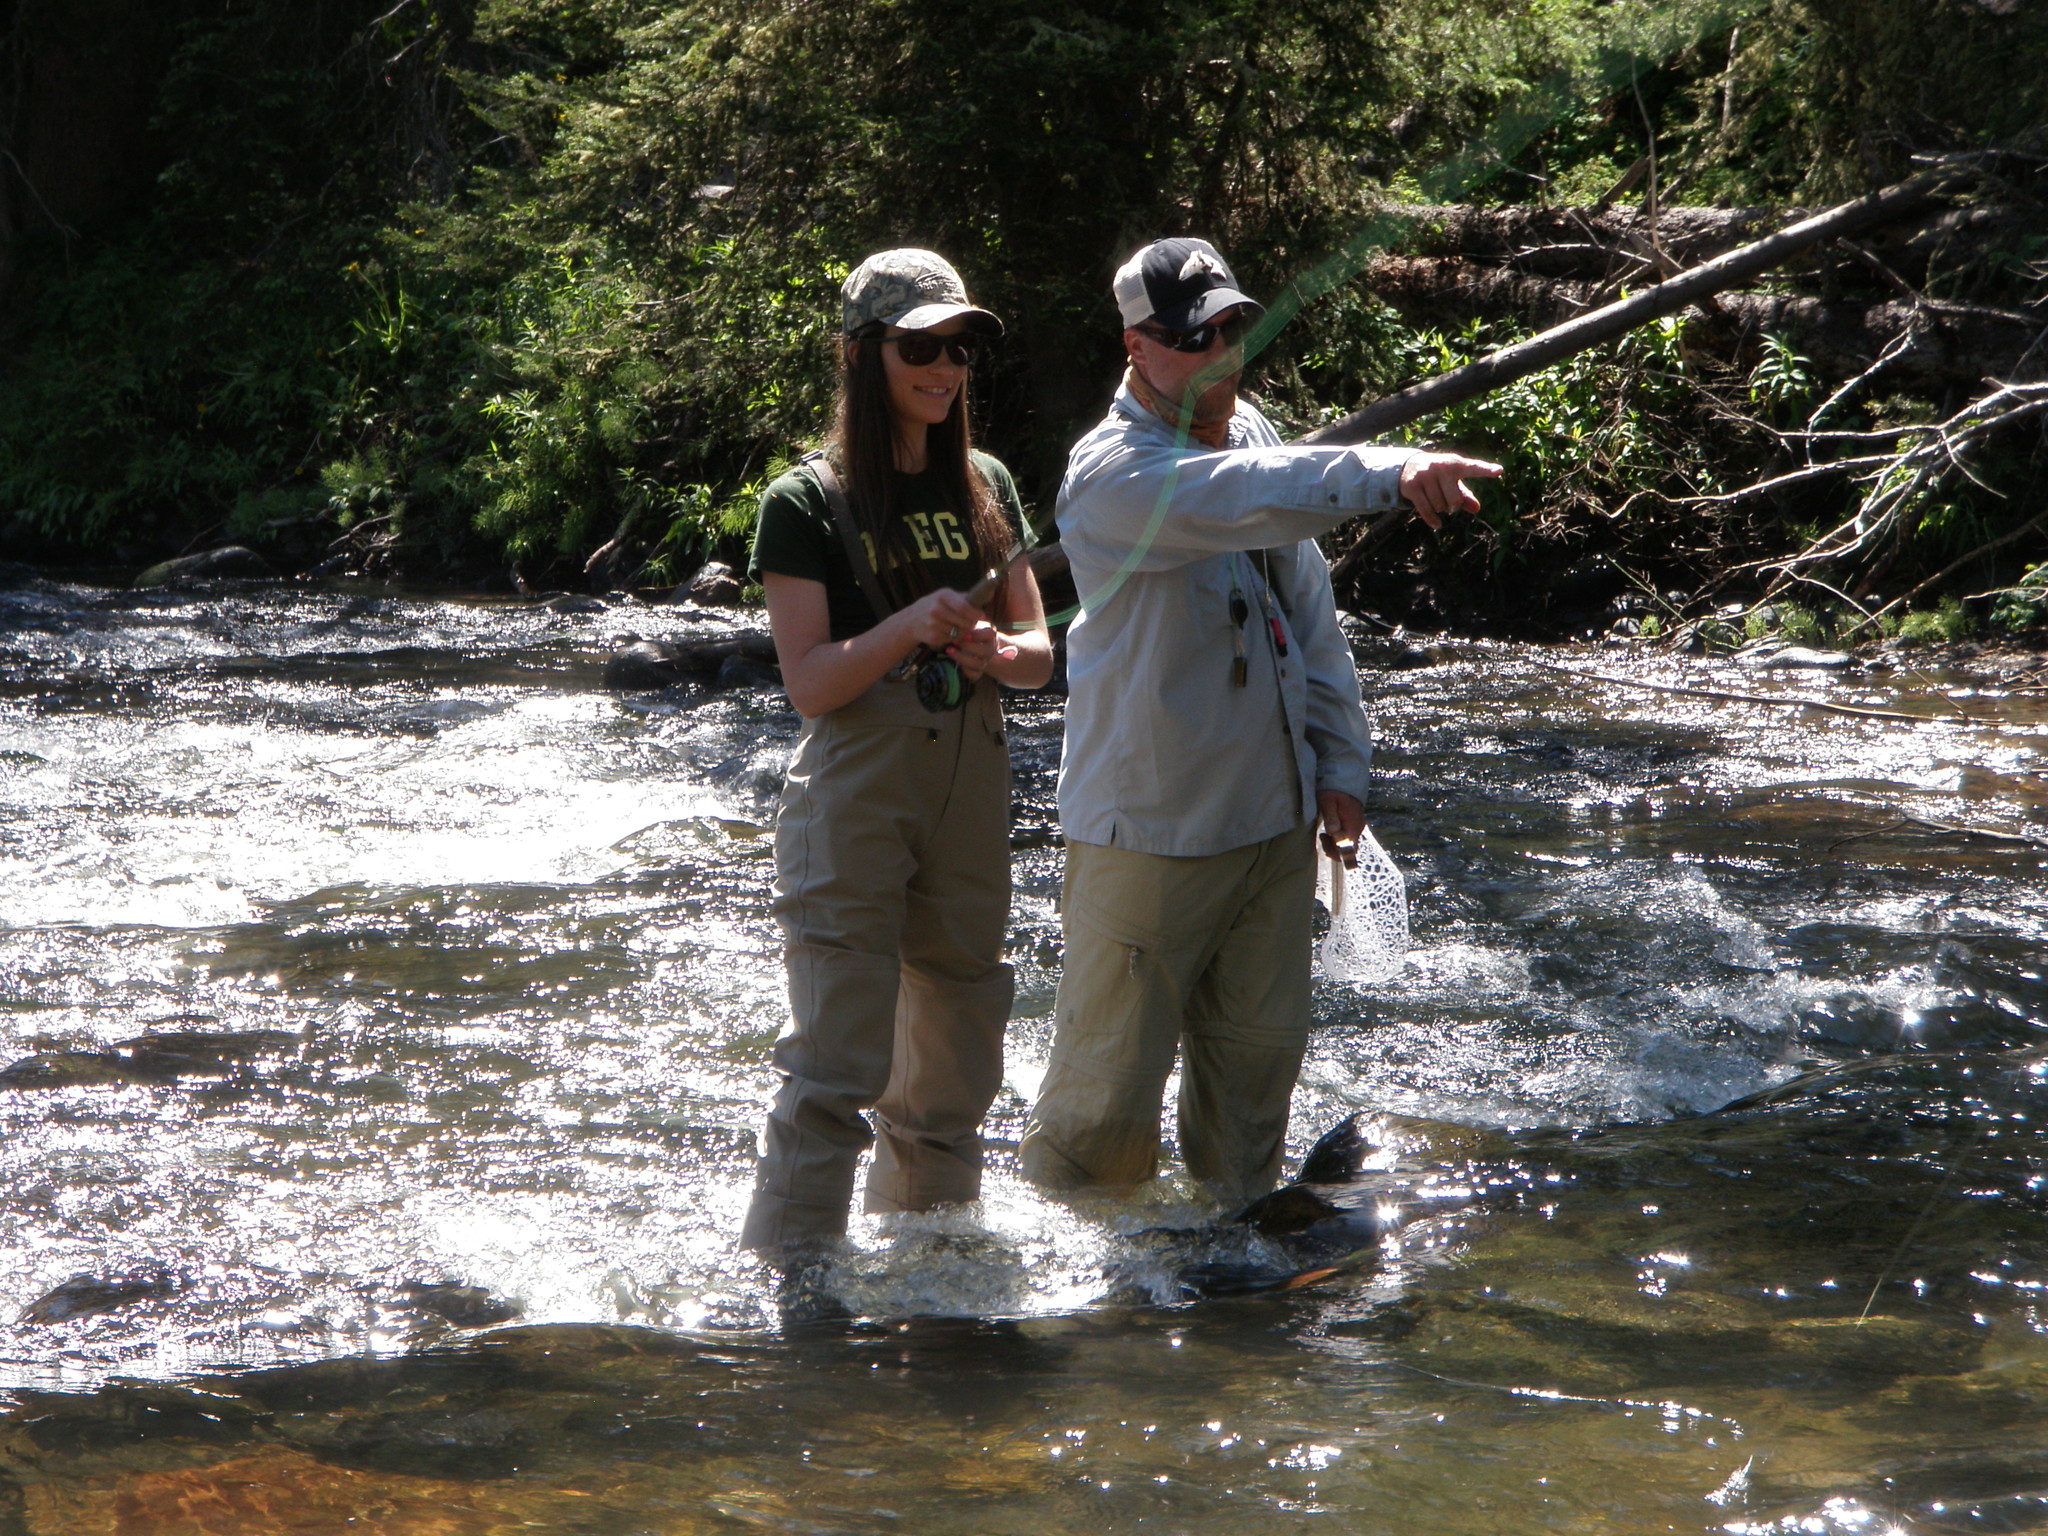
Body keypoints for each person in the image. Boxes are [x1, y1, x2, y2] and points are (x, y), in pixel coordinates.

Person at [1017, 237, 1500, 1206]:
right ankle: (1081, 1319)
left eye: (1232, 330)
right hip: (1145, 839)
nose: (1220, 358)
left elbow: (1309, 622)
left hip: (1272, 830)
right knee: (1101, 1115)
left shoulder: (1255, 435)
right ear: (1135, 347)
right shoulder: (1110, 475)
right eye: (1194, 339)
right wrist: (1384, 471)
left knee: (1250, 1104)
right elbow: (1248, 500)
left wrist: (1341, 766)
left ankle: (1232, 1308)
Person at [740, 249, 1054, 1265]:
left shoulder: (988, 482)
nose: (946, 367)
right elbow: (810, 684)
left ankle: (934, 1277)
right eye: (921, 346)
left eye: (959, 348)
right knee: (837, 1063)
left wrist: (990, 648)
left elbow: (1038, 660)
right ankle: (797, 1292)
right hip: (854, 801)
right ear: (864, 353)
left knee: (956, 1064)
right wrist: (908, 626)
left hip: (969, 788)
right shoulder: (800, 501)